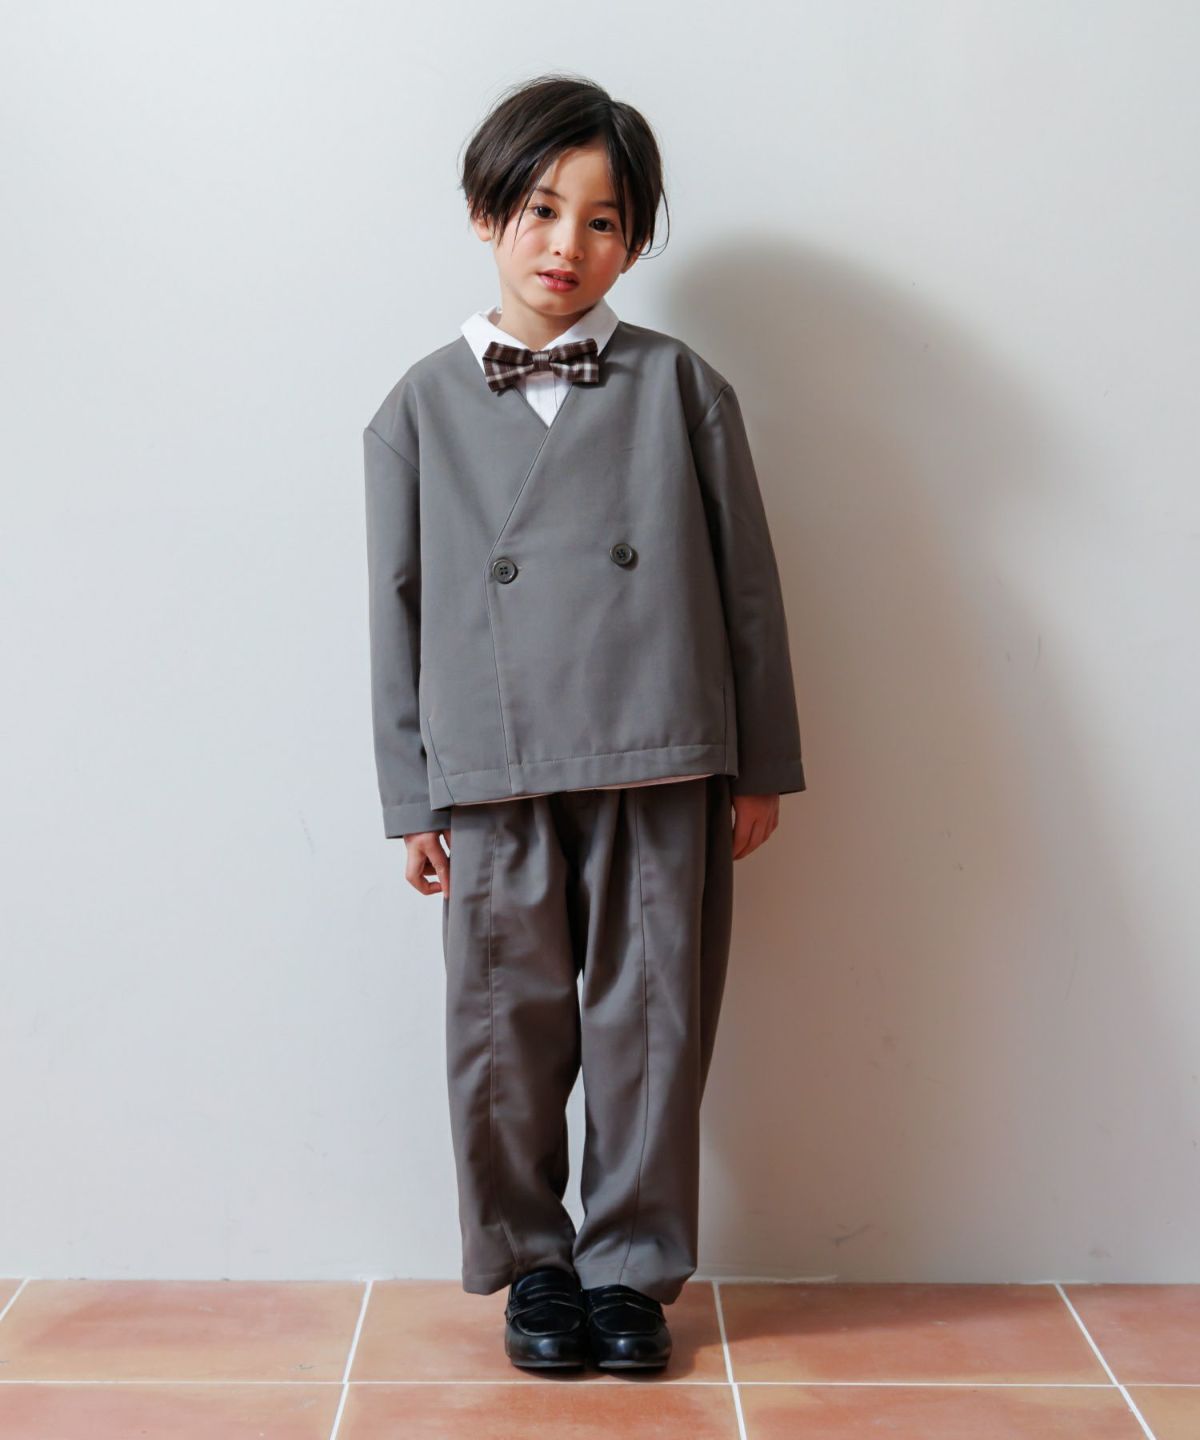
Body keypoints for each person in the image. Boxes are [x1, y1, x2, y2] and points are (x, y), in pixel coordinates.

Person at [363, 72, 806, 1372]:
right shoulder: (417, 407)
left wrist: (761, 763)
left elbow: (749, 588)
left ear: (636, 241)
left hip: (662, 744)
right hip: (492, 763)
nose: (567, 244)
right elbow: (393, 609)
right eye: (541, 208)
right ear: (484, 211)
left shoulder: (682, 387)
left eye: (604, 221)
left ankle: (630, 1270)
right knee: (505, 1026)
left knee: (650, 1024)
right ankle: (533, 1263)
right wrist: (411, 793)